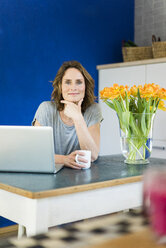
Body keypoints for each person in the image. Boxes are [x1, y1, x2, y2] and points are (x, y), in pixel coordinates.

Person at [32, 60, 103, 169]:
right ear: (60, 86)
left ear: (85, 86)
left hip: (81, 177)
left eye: (79, 82)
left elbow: (92, 155)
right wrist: (64, 160)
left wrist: (78, 118)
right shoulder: (45, 109)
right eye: (68, 82)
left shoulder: (93, 110)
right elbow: (36, 154)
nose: (73, 88)